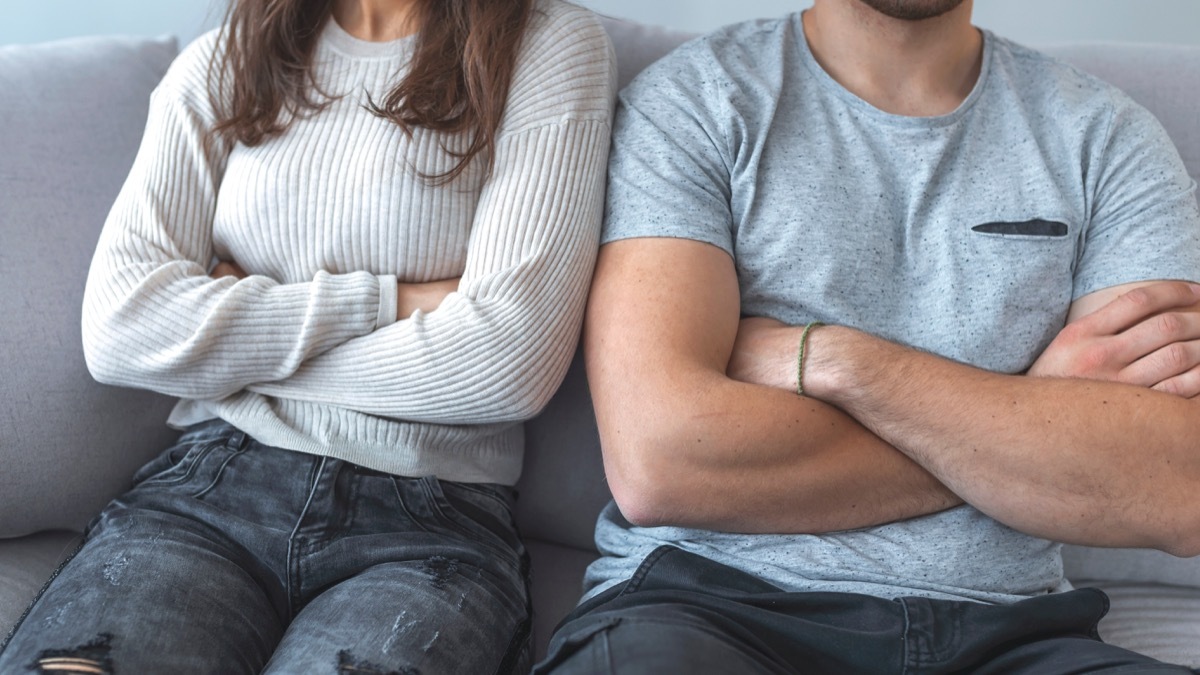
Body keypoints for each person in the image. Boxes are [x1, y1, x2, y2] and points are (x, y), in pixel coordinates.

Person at [534, 0, 1200, 673]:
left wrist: (840, 360)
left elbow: (1178, 486)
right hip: (711, 607)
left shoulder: (1106, 136)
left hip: (1013, 631)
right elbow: (662, 461)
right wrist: (1027, 417)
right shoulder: (693, 102)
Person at [0, 0, 615, 673]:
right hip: (208, 486)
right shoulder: (227, 58)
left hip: (431, 518)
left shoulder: (550, 47)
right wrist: (390, 300)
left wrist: (228, 337)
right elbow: (120, 331)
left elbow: (507, 362)